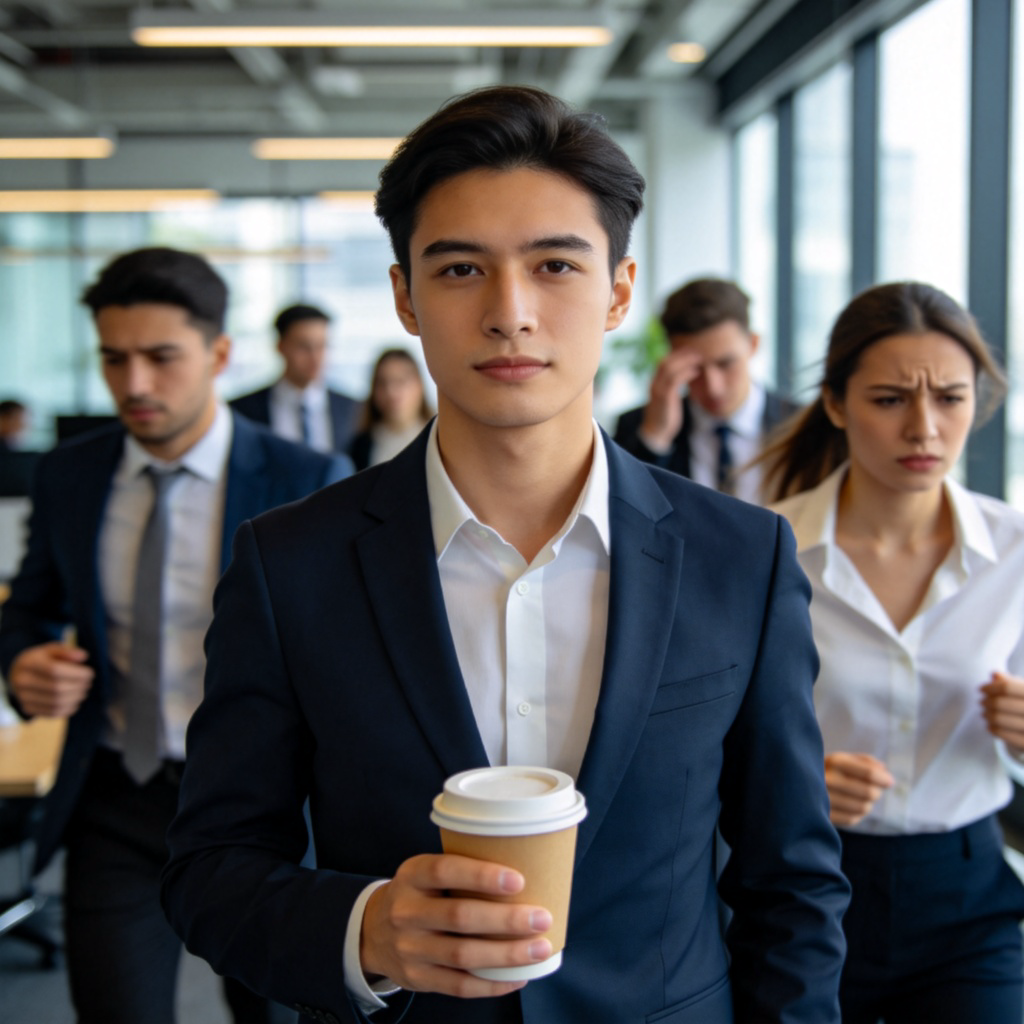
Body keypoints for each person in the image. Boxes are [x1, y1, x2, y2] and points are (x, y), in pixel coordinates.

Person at [161, 86, 849, 1024]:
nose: (510, 312)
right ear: (404, 295)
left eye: (556, 265)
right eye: (458, 271)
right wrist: (366, 930)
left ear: (617, 292)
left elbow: (793, 886)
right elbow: (210, 869)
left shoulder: (743, 555)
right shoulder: (291, 564)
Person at [0, 247, 350, 1024]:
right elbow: (26, 607)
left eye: (161, 358)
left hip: (268, 810)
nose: (134, 386)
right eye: (114, 360)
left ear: (220, 354)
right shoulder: (70, 476)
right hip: (118, 796)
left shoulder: (307, 479)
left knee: (278, 1013)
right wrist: (22, 659)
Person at [765, 281, 1024, 1024]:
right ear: (838, 405)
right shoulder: (764, 547)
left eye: (950, 398)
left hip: (969, 895)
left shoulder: (1015, 551)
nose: (924, 428)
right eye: (889, 400)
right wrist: (794, 779)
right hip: (803, 886)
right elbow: (702, 735)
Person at [613, 277, 797, 502]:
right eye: (695, 369)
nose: (713, 388)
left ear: (754, 344)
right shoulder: (637, 428)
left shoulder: (803, 422)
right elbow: (625, 515)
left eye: (725, 363)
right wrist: (656, 437)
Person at [231, 303, 362, 455]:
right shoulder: (241, 411)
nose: (315, 357)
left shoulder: (354, 409)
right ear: (280, 346)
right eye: (304, 346)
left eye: (322, 346)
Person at [347, 348, 433, 471]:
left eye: (400, 381)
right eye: (383, 383)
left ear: (419, 385)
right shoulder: (360, 447)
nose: (391, 392)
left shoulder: (439, 439)